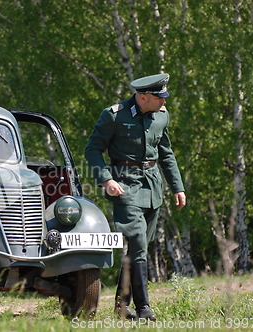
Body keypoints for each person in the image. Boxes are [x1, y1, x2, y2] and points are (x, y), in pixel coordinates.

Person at [84, 73, 186, 320]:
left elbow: (166, 154)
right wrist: (107, 180)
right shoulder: (114, 115)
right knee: (138, 242)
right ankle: (143, 308)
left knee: (139, 247)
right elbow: (93, 149)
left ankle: (121, 306)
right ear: (143, 97)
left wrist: (177, 187)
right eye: (159, 98)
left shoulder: (161, 116)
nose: (165, 102)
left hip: (152, 187)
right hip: (124, 185)